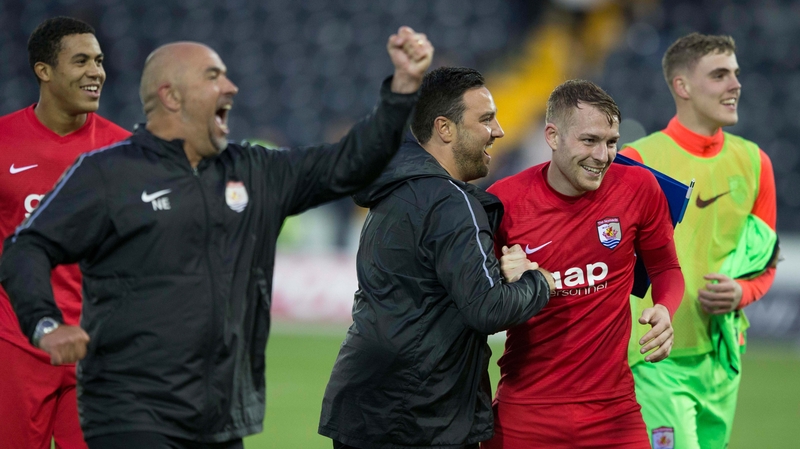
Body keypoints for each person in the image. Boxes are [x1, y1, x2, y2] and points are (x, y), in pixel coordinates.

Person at [0, 26, 433, 449]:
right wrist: (43, 321)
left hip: (220, 415)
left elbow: (348, 162)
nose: (231, 86)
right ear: (171, 96)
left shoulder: (254, 171)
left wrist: (401, 92)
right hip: (130, 410)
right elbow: (27, 247)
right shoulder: (108, 173)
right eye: (212, 76)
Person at [318, 66, 556, 449]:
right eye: (486, 119)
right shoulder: (452, 202)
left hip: (363, 409)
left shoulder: (393, 192)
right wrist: (539, 281)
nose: (499, 131)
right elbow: (488, 308)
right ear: (445, 129)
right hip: (421, 418)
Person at [482, 80, 686, 449]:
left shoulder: (639, 187)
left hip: (614, 413)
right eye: (589, 140)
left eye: (611, 142)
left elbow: (667, 269)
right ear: (553, 136)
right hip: (527, 412)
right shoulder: (503, 201)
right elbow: (477, 304)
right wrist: (504, 280)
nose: (604, 155)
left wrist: (665, 308)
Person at [621, 33, 778, 449]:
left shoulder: (755, 163)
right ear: (682, 86)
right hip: (655, 356)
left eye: (736, 74)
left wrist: (741, 292)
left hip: (722, 358)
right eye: (720, 74)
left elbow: (766, 260)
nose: (736, 84)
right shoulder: (638, 161)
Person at [0, 16, 130, 449]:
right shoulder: (3, 142)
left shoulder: (124, 152)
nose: (96, 72)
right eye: (81, 61)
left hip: (97, 350)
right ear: (44, 70)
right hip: (14, 346)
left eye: (98, 60)